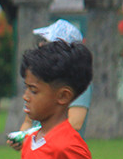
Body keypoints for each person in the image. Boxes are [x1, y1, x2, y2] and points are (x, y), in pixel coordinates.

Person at [9, 18, 91, 150]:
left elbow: (75, 122)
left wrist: (37, 137)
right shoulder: (39, 80)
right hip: (40, 155)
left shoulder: (75, 81)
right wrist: (22, 139)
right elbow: (28, 121)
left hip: (62, 154)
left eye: (47, 42)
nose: (41, 45)